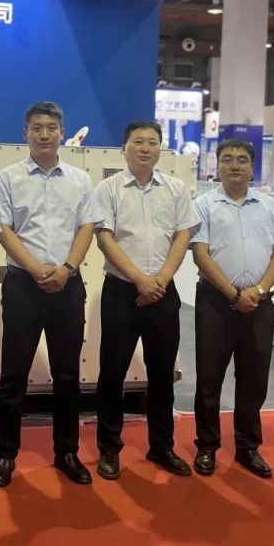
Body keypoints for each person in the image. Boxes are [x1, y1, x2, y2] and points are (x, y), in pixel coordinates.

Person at [0, 101, 101, 488]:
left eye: (51, 128)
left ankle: (66, 451)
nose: (44, 134)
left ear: (61, 133)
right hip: (23, 284)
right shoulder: (7, 178)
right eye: (36, 128)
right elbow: (3, 229)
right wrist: (36, 269)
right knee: (13, 374)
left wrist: (67, 268)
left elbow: (87, 228)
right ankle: (5, 453)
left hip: (68, 284)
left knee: (67, 375)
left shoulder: (80, 180)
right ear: (25, 134)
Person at [92, 120, 198, 481]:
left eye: (152, 142)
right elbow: (104, 238)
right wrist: (140, 280)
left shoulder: (175, 188)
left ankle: (162, 446)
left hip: (163, 292)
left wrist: (161, 280)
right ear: (124, 147)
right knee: (112, 373)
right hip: (122, 291)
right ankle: (109, 449)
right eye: (137, 141)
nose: (145, 148)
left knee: (162, 374)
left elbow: (183, 235)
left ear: (159, 149)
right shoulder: (108, 189)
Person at [191, 139, 274, 479]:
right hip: (215, 303)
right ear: (217, 166)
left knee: (254, 379)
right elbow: (201, 254)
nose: (234, 165)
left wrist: (258, 290)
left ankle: (248, 446)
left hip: (259, 305)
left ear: (252, 168)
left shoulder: (269, 206)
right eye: (227, 159)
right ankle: (207, 446)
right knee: (209, 378)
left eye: (242, 160)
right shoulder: (203, 205)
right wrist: (233, 294)